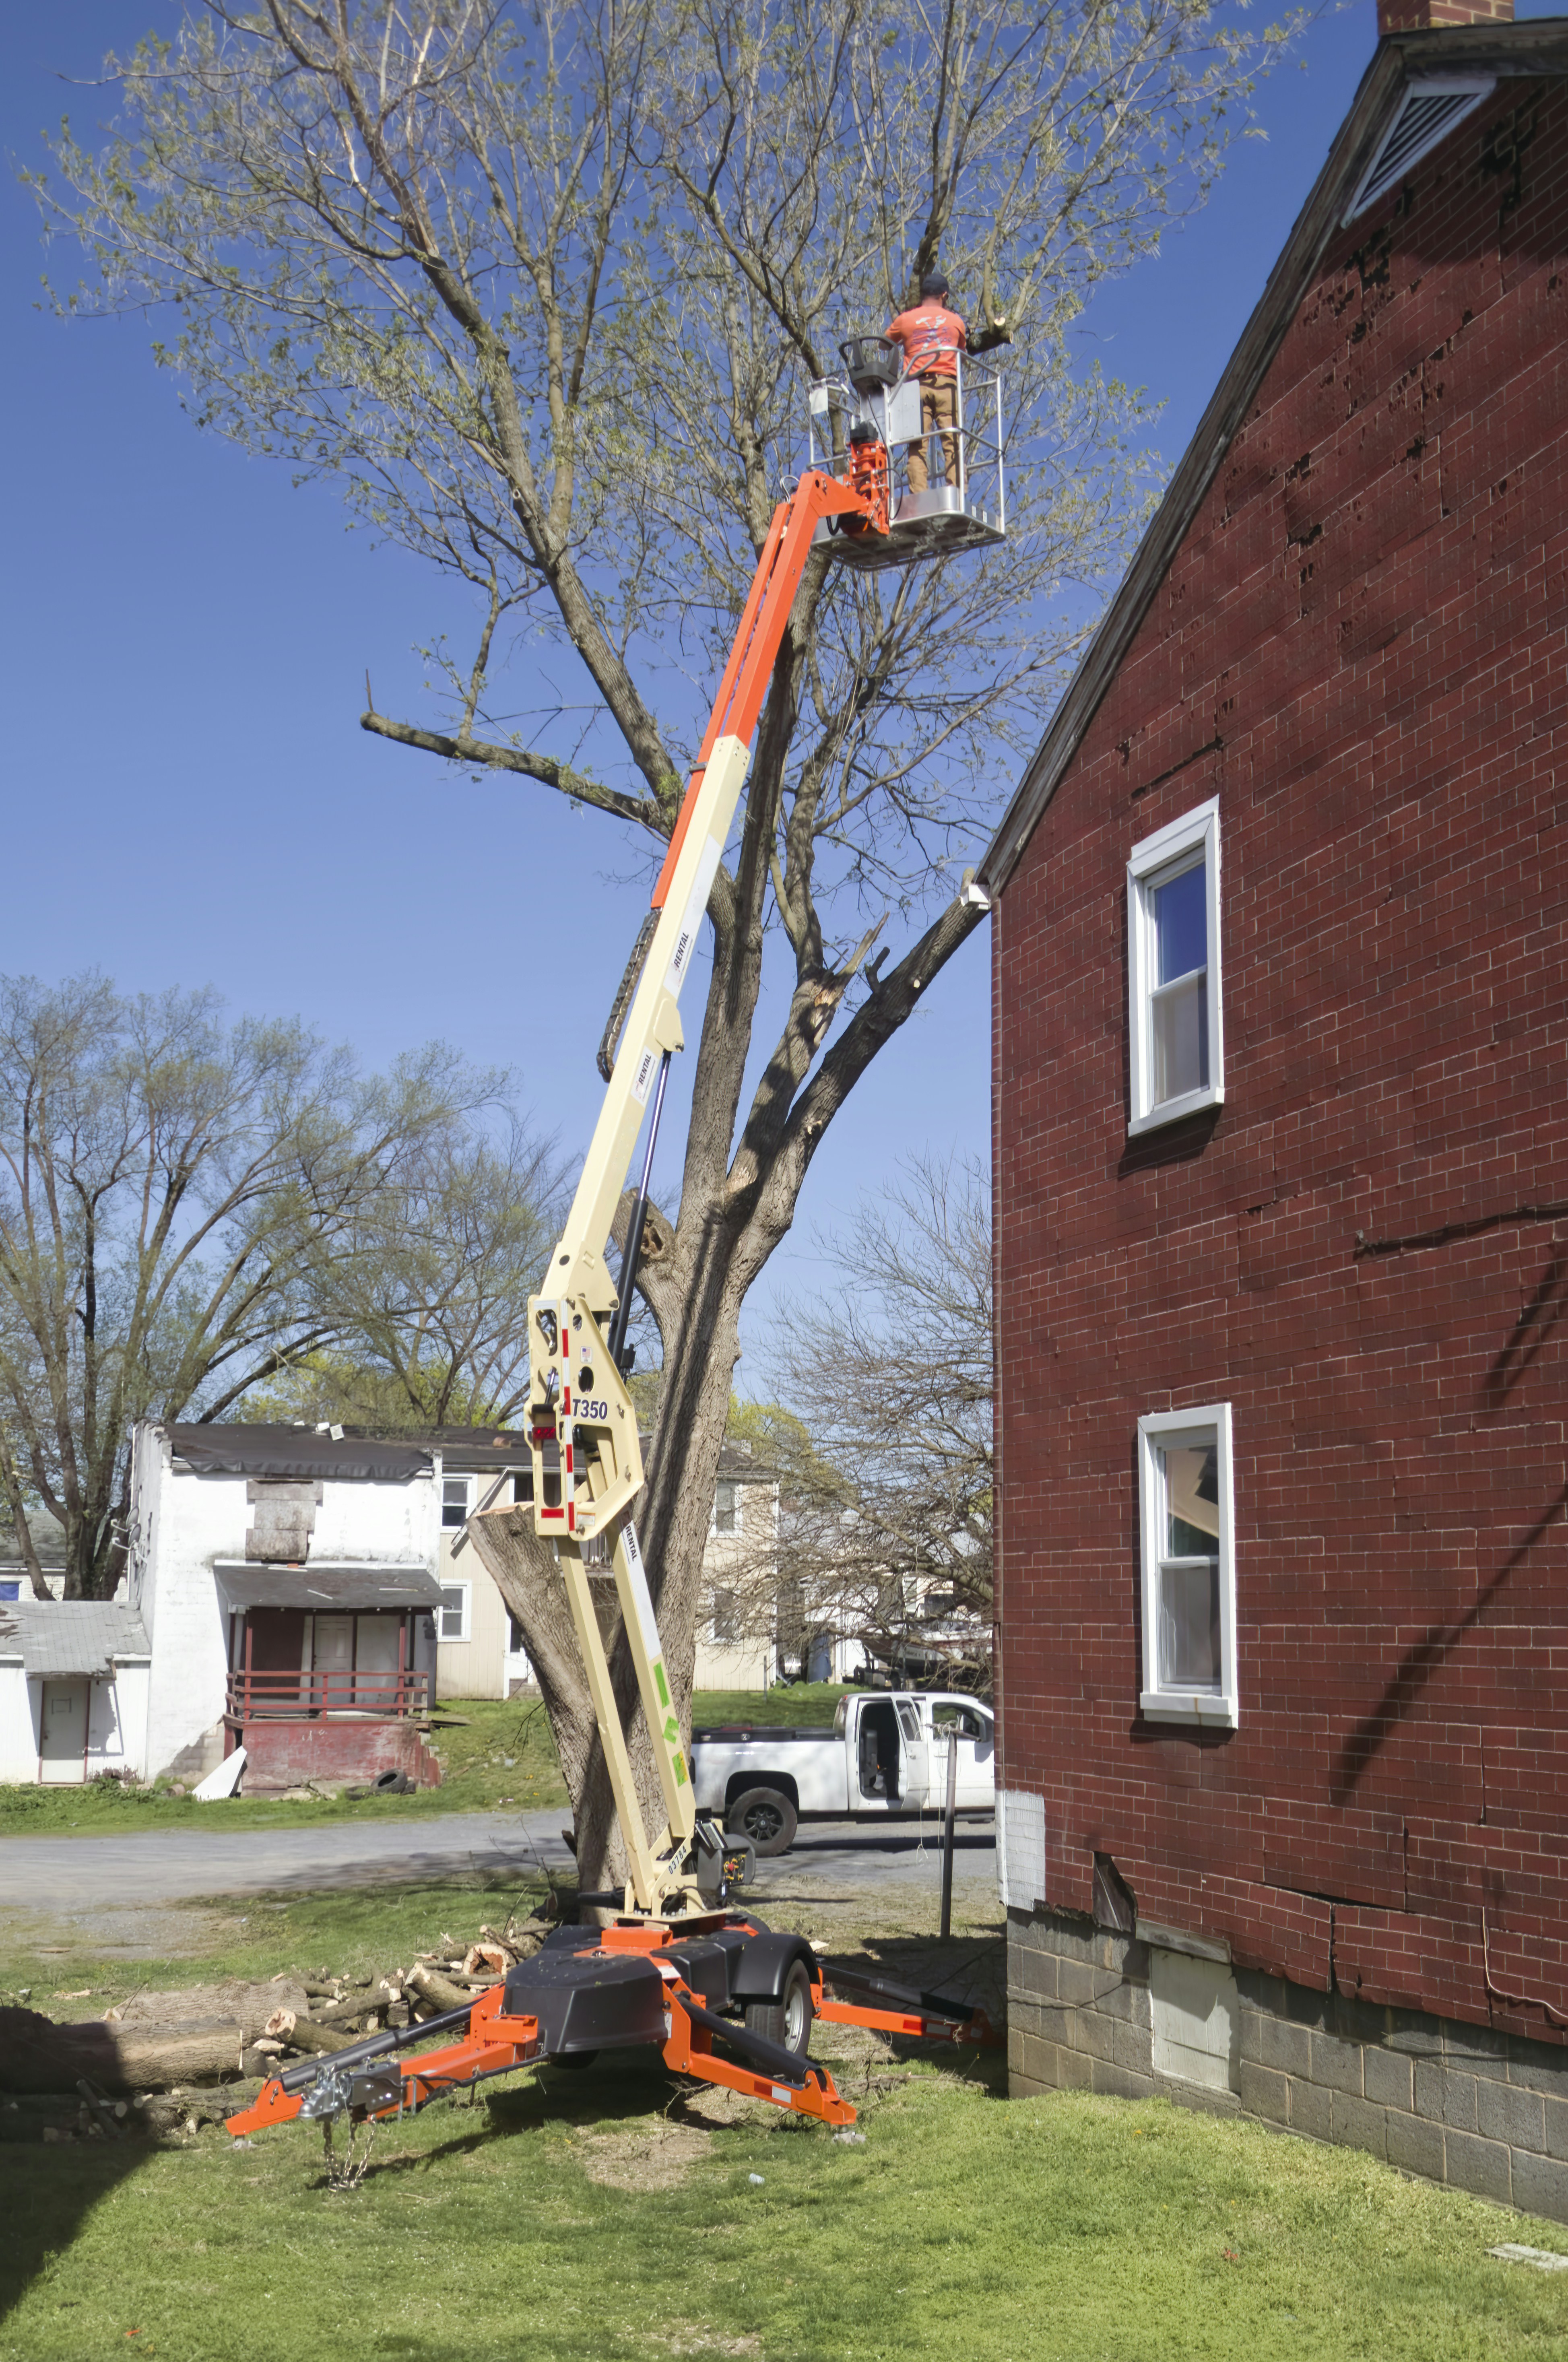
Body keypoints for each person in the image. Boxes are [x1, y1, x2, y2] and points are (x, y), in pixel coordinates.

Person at [885, 268, 967, 495]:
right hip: (946, 387)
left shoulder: (906, 319)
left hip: (915, 389)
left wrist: (906, 339)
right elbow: (962, 351)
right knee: (953, 442)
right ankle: (957, 493)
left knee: (917, 447)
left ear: (923, 296)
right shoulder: (956, 322)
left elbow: (883, 343)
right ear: (944, 296)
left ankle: (919, 496)